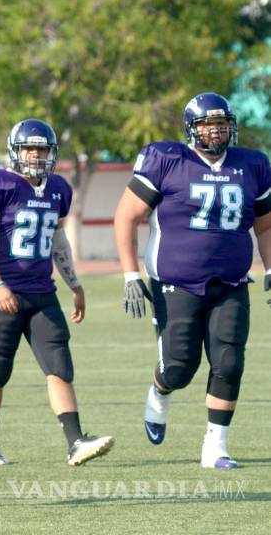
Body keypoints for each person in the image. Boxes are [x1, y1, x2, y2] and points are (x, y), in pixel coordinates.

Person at [114, 93, 271, 469]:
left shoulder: (252, 164)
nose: (215, 131)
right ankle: (160, 391)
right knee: (179, 368)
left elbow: (265, 226)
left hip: (231, 282)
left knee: (229, 362)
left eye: (222, 124)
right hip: (176, 282)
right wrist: (130, 274)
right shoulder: (166, 159)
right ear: (191, 128)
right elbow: (126, 217)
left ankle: (215, 446)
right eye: (207, 124)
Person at [0, 119, 113, 466]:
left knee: (59, 366)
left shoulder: (58, 189)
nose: (36, 155)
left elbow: (58, 240)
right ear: (16, 151)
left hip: (42, 294)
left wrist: (74, 284)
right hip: (2, 293)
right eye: (30, 149)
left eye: (42, 149)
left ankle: (75, 441)